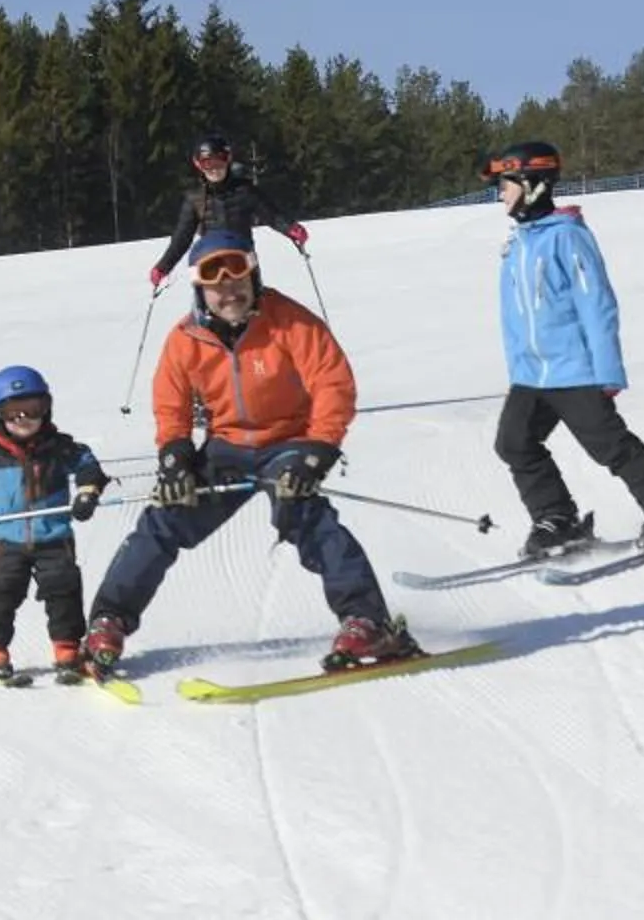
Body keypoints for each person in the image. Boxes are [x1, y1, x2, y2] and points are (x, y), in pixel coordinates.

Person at [84, 231, 419, 675]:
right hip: (227, 447)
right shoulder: (186, 339)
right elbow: (171, 406)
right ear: (199, 287)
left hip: (289, 441)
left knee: (299, 509)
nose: (228, 289)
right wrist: (175, 459)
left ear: (254, 274)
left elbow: (332, 383)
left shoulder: (289, 322)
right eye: (214, 279)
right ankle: (109, 620)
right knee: (165, 517)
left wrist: (318, 450)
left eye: (237, 274)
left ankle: (367, 620)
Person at [483, 140, 644, 556]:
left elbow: (597, 304)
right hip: (533, 374)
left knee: (610, 446)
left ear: (533, 185)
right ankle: (558, 519)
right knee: (514, 442)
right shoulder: (519, 243)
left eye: (506, 183)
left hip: (574, 369)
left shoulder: (567, 237)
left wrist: (607, 370)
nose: (500, 192)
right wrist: (518, 366)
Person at [0, 366, 108, 681]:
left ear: (46, 408)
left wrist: (89, 491)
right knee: (2, 592)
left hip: (54, 535)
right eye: (12, 412)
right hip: (8, 539)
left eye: (32, 410)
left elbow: (88, 465)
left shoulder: (59, 448)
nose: (23, 419)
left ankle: (67, 647)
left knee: (64, 589)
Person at [148, 132, 310, 288]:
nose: (214, 169)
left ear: (228, 159)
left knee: (253, 306)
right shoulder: (195, 199)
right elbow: (181, 238)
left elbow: (272, 215)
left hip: (244, 261)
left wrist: (290, 228)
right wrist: (163, 267)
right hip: (211, 264)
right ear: (198, 164)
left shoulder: (245, 190)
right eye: (207, 163)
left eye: (219, 161)